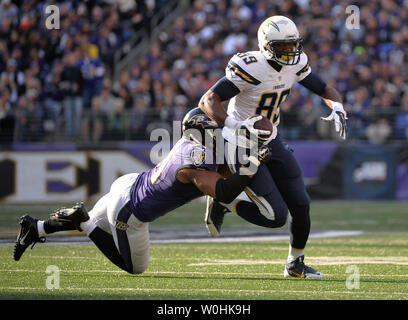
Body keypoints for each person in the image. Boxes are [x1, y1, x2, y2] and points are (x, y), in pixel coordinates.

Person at [13, 108, 271, 275]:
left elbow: (222, 167)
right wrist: (252, 165)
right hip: (131, 211)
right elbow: (223, 191)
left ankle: (35, 228)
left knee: (97, 219)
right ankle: (83, 223)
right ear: (202, 136)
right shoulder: (193, 163)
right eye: (212, 133)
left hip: (130, 186)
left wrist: (246, 152)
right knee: (134, 268)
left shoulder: (191, 142)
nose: (217, 135)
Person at [199, 16, 349, 279]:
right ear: (266, 45)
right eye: (282, 47)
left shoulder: (296, 63)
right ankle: (226, 199)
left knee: (301, 204)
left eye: (293, 45)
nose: (289, 52)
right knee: (275, 217)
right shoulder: (251, 66)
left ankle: (295, 263)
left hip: (271, 139)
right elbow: (208, 100)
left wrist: (337, 106)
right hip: (242, 144)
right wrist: (235, 125)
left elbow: (324, 88)